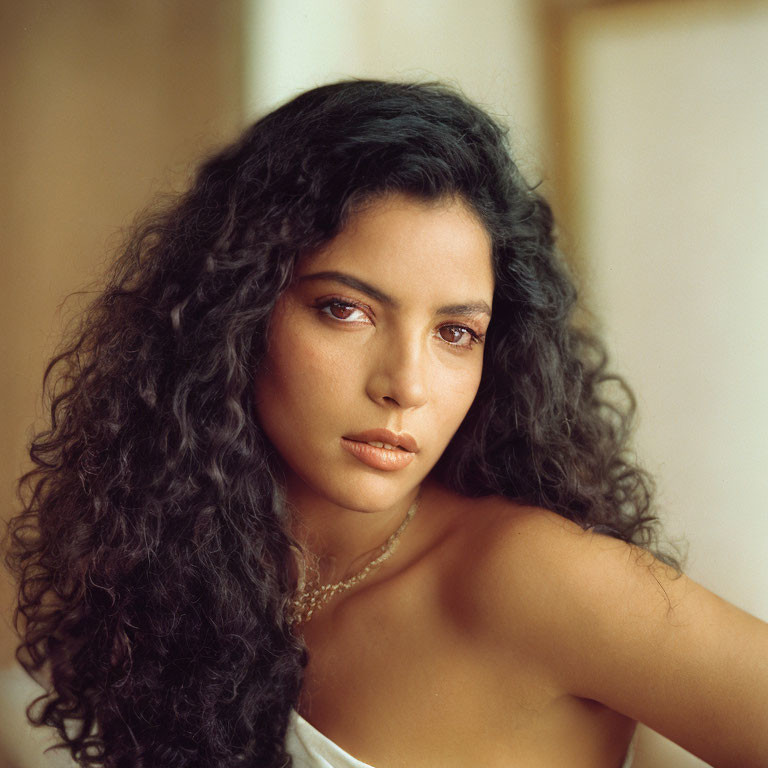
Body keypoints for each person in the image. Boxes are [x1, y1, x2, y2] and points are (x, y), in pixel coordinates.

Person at [2, 79, 767, 768]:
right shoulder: (180, 580)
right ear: (231, 314)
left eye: (456, 332)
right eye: (346, 310)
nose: (406, 384)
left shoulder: (531, 577)